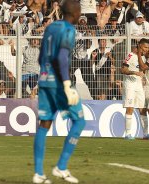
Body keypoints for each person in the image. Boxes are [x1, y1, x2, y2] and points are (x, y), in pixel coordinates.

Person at [33, 0, 86, 183]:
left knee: (44, 124)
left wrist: (46, 74)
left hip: (44, 80)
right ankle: (61, 166)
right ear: (74, 12)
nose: (80, 13)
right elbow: (62, 57)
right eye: (80, 10)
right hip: (58, 83)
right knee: (79, 121)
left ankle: (39, 173)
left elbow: (41, 57)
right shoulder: (69, 30)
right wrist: (66, 84)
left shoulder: (51, 27)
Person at [121, 39, 149, 139]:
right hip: (130, 85)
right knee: (130, 108)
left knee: (142, 109)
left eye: (147, 47)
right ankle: (128, 134)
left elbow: (143, 70)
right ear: (139, 45)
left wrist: (143, 77)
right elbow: (123, 70)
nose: (146, 49)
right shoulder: (130, 55)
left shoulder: (143, 57)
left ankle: (145, 134)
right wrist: (134, 73)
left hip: (139, 85)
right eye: (145, 47)